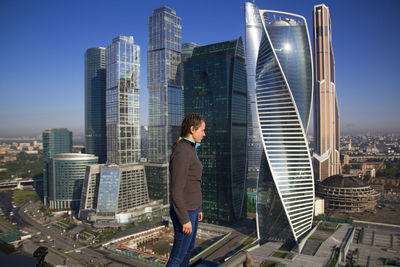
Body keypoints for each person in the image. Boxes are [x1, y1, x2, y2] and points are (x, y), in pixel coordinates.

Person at [166, 113, 206, 267]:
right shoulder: (182, 152)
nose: (204, 133)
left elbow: (193, 182)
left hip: (192, 209)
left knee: (187, 252)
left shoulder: (189, 148)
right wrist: (184, 218)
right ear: (192, 129)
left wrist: (198, 208)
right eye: (202, 130)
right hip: (186, 212)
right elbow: (176, 190)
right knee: (178, 256)